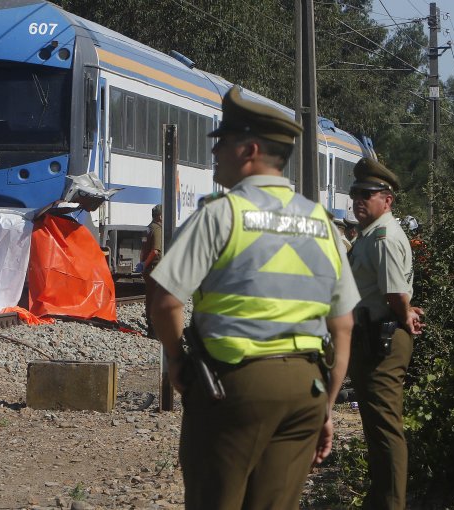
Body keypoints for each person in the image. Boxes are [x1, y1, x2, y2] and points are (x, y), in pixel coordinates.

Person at [148, 86, 360, 509]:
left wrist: (176, 361)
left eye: (221, 144)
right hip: (306, 390)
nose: (214, 155)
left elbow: (166, 298)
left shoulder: (221, 214)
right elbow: (344, 325)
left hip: (234, 386)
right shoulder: (322, 223)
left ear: (250, 149)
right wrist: (327, 406)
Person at [347, 158, 425, 510]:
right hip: (371, 339)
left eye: (367, 193)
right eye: (355, 193)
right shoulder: (370, 236)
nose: (359, 200)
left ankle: (391, 503)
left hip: (384, 341)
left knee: (386, 430)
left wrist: (405, 313)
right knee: (376, 429)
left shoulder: (383, 238)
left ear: (387, 200)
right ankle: (380, 500)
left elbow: (395, 294)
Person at [141, 204, 163, 337]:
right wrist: (145, 263)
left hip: (149, 269)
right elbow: (155, 250)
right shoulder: (158, 229)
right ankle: (154, 330)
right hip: (155, 268)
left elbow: (143, 249)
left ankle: (151, 327)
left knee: (150, 297)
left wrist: (143, 264)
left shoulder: (148, 228)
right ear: (160, 216)